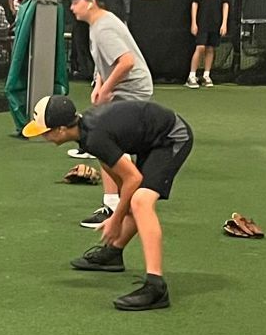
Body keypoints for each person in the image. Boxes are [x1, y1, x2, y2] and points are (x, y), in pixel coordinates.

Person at [24, 94, 193, 311]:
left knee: (141, 201)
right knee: (133, 199)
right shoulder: (86, 133)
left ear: (61, 129)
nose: (43, 137)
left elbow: (133, 178)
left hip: (172, 136)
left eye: (45, 132)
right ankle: (113, 254)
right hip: (151, 141)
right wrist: (123, 201)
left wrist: (116, 219)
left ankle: (156, 287)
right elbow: (110, 164)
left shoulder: (94, 135)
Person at [61, 0, 154, 231]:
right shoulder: (99, 23)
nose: (72, 7)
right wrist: (99, 84)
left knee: (103, 140)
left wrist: (107, 89)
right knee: (102, 140)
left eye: (76, 1)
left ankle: (118, 206)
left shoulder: (103, 28)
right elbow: (108, 61)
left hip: (132, 91)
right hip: (125, 88)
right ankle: (120, 203)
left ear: (91, 3)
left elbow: (126, 62)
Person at [187, 0, 231, 88]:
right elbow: (194, 3)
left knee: (210, 48)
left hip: (216, 22)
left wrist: (224, 23)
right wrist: (194, 22)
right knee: (200, 47)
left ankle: (206, 75)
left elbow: (226, 4)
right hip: (202, 22)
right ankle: (192, 76)